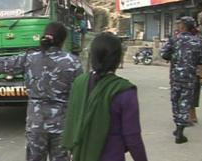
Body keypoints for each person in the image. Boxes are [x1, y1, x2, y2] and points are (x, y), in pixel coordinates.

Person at [0, 22, 83, 161]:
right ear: (62, 40)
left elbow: (6, 63)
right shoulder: (73, 62)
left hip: (36, 124)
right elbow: (80, 95)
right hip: (62, 125)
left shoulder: (30, 58)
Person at [62, 32, 147, 161]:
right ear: (118, 59)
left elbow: (71, 122)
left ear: (92, 57)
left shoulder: (79, 83)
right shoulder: (124, 91)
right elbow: (132, 137)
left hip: (81, 155)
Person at [160, 16, 202, 144]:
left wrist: (174, 56)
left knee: (175, 100)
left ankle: (178, 127)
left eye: (179, 24)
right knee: (185, 102)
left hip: (175, 76)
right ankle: (180, 129)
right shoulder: (197, 41)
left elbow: (163, 53)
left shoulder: (174, 40)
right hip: (189, 77)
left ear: (183, 26)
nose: (178, 26)